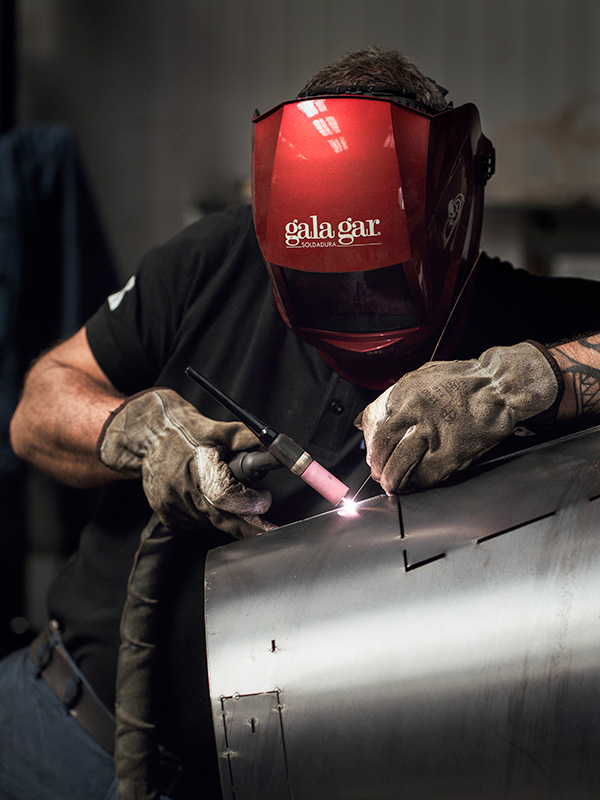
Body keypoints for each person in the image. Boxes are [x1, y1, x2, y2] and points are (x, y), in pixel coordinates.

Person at [3, 45, 600, 800]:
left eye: (379, 283)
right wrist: (140, 431)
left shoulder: (524, 320)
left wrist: (535, 381)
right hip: (65, 725)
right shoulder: (216, 260)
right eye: (322, 284)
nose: (354, 305)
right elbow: (37, 407)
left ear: (452, 215)